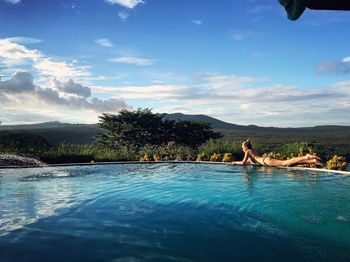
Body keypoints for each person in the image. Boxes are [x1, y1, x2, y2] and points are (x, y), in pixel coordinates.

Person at [231, 139, 323, 167]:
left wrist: (235, 162)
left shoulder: (247, 151)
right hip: (266, 159)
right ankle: (312, 161)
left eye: (242, 147)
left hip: (267, 161)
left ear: (245, 147)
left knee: (285, 162)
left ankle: (306, 157)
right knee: (288, 164)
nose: (242, 149)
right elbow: (251, 162)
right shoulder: (252, 150)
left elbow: (243, 162)